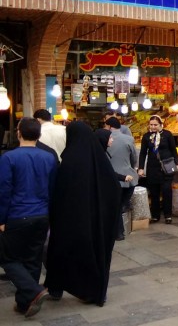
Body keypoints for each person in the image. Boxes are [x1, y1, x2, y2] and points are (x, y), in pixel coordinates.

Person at [45, 121, 121, 306]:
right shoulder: (100, 161)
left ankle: (56, 287)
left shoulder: (68, 161)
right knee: (94, 255)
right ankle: (92, 291)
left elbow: (59, 193)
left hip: (70, 221)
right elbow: (114, 188)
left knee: (61, 252)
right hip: (97, 223)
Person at [0, 117, 58, 318]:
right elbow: (52, 189)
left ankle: (33, 291)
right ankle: (24, 303)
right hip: (41, 215)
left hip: (17, 215)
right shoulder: (49, 157)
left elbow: (4, 190)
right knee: (33, 260)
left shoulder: (9, 157)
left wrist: (1, 219)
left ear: (18, 133)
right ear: (39, 135)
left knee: (7, 258)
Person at [138, 115, 178, 224]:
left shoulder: (168, 135)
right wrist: (141, 168)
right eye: (151, 125)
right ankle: (155, 215)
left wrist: (177, 162)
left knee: (166, 190)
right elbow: (143, 153)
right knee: (154, 192)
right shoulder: (146, 137)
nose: (153, 127)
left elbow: (173, 150)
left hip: (166, 167)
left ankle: (168, 215)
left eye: (155, 125)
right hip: (153, 167)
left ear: (161, 124)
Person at [104, 117, 138, 241]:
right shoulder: (129, 139)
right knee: (120, 205)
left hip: (112, 178)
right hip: (129, 179)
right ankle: (121, 230)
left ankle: (119, 232)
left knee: (116, 206)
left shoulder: (104, 139)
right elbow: (134, 158)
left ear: (108, 126)